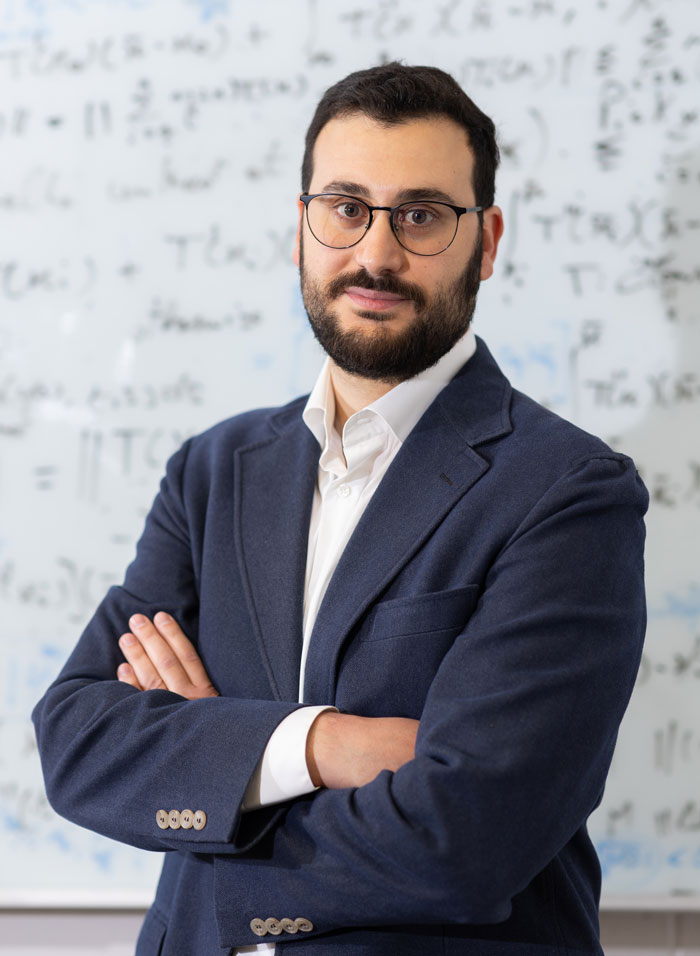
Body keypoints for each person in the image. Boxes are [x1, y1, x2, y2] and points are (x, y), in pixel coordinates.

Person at [33, 63, 648, 956]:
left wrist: (215, 778)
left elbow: (464, 839)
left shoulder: (568, 492)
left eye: (422, 215)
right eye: (347, 208)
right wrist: (322, 746)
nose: (376, 254)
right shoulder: (214, 472)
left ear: (487, 241)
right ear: (303, 228)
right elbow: (80, 741)